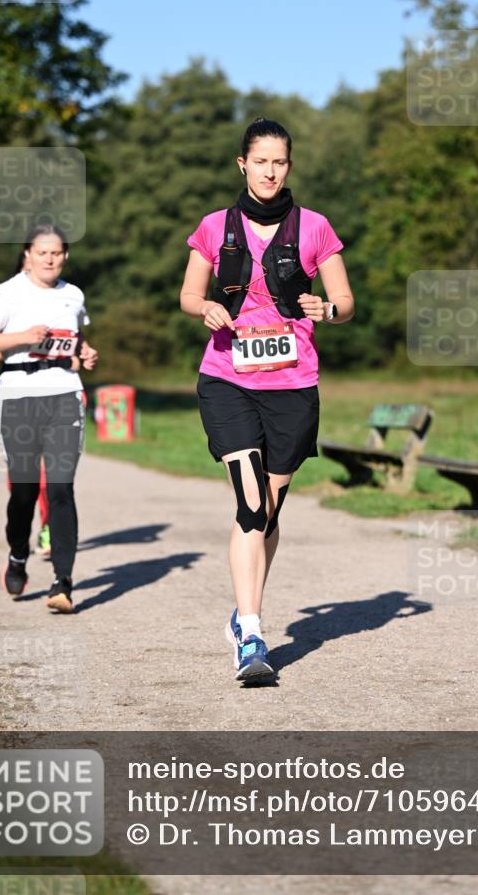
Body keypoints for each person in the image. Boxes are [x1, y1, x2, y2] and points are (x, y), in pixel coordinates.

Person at [180, 117, 354, 682]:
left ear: (289, 166)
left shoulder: (315, 228)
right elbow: (188, 292)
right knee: (252, 505)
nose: (270, 171)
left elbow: (346, 299)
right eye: (261, 161)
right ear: (243, 164)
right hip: (227, 379)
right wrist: (204, 307)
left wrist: (326, 310)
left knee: (268, 513)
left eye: (279, 162)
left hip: (293, 385)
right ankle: (252, 635)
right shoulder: (213, 227)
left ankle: (242, 609)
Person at [0, 225, 98, 613]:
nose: (50, 259)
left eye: (57, 254)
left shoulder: (72, 294)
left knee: (61, 488)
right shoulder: (9, 292)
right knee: (24, 490)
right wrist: (24, 337)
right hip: (19, 396)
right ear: (28, 254)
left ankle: (62, 582)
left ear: (65, 257)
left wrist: (87, 354)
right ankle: (17, 554)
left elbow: (75, 342)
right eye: (43, 253)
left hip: (63, 394)